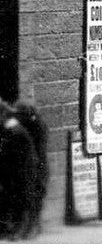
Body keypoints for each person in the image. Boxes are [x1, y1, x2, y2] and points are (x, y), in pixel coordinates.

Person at [0, 100, 37, 239]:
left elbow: (17, 155)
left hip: (22, 170)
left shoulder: (14, 130)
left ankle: (25, 229)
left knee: (22, 199)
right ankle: (16, 228)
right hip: (14, 171)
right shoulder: (8, 129)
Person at [12, 100, 46, 238]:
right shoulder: (29, 126)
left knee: (32, 199)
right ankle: (28, 227)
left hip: (36, 167)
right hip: (30, 167)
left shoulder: (35, 127)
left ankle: (32, 227)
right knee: (27, 198)